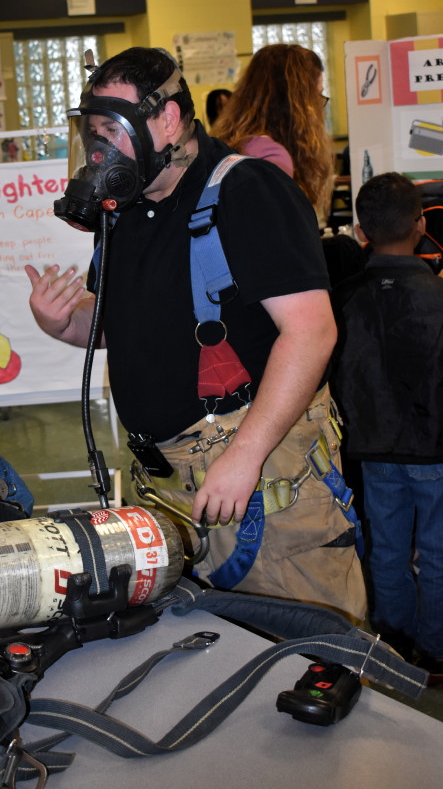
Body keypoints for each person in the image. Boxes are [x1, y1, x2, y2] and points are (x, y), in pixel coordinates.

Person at [26, 46, 366, 621]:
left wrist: (244, 455)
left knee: (308, 646)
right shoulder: (123, 211)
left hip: (259, 475)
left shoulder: (247, 191)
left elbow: (311, 333)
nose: (98, 149)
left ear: (167, 119)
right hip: (170, 485)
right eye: (93, 133)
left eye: (114, 129)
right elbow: (120, 325)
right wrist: (61, 322)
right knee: (216, 655)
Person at [331, 172, 443, 681]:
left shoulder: (343, 298)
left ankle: (393, 645)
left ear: (360, 230)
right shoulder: (438, 296)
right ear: (421, 225)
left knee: (388, 550)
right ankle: (437, 653)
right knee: (440, 554)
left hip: (372, 449)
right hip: (436, 451)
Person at [214, 43, 334, 214]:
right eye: (317, 95)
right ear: (300, 102)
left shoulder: (235, 143)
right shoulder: (272, 157)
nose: (319, 107)